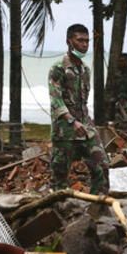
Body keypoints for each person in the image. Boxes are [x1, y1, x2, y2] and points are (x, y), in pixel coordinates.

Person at [48, 24, 110, 194]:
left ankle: (98, 211)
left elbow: (83, 102)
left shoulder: (85, 70)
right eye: (80, 40)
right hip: (65, 132)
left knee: (102, 167)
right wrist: (72, 121)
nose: (84, 44)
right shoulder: (58, 68)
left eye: (87, 41)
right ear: (69, 41)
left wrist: (87, 123)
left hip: (86, 129)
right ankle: (58, 214)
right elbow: (56, 100)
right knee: (59, 178)